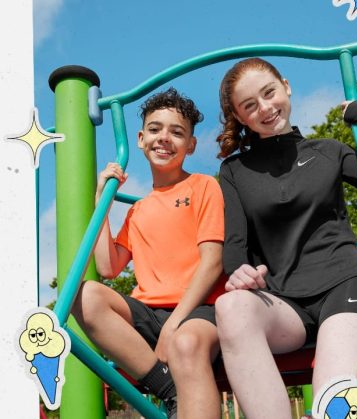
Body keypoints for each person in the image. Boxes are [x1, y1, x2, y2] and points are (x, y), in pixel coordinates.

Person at [214, 58, 357, 419]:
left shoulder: (328, 151)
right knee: (231, 306)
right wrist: (239, 271)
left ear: (286, 87)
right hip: (284, 303)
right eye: (250, 105)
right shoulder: (234, 171)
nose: (265, 108)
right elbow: (235, 244)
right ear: (240, 117)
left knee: (331, 403)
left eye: (269, 93)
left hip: (344, 286)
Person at [72, 87, 225, 419]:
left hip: (197, 311)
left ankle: (177, 389)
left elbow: (213, 262)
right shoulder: (137, 210)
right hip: (149, 315)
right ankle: (169, 388)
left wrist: (174, 325)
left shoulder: (203, 186)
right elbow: (108, 266)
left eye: (177, 132)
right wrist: (102, 200)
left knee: (187, 342)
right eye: (155, 129)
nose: (164, 138)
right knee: (84, 296)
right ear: (141, 139)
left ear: (191, 145)